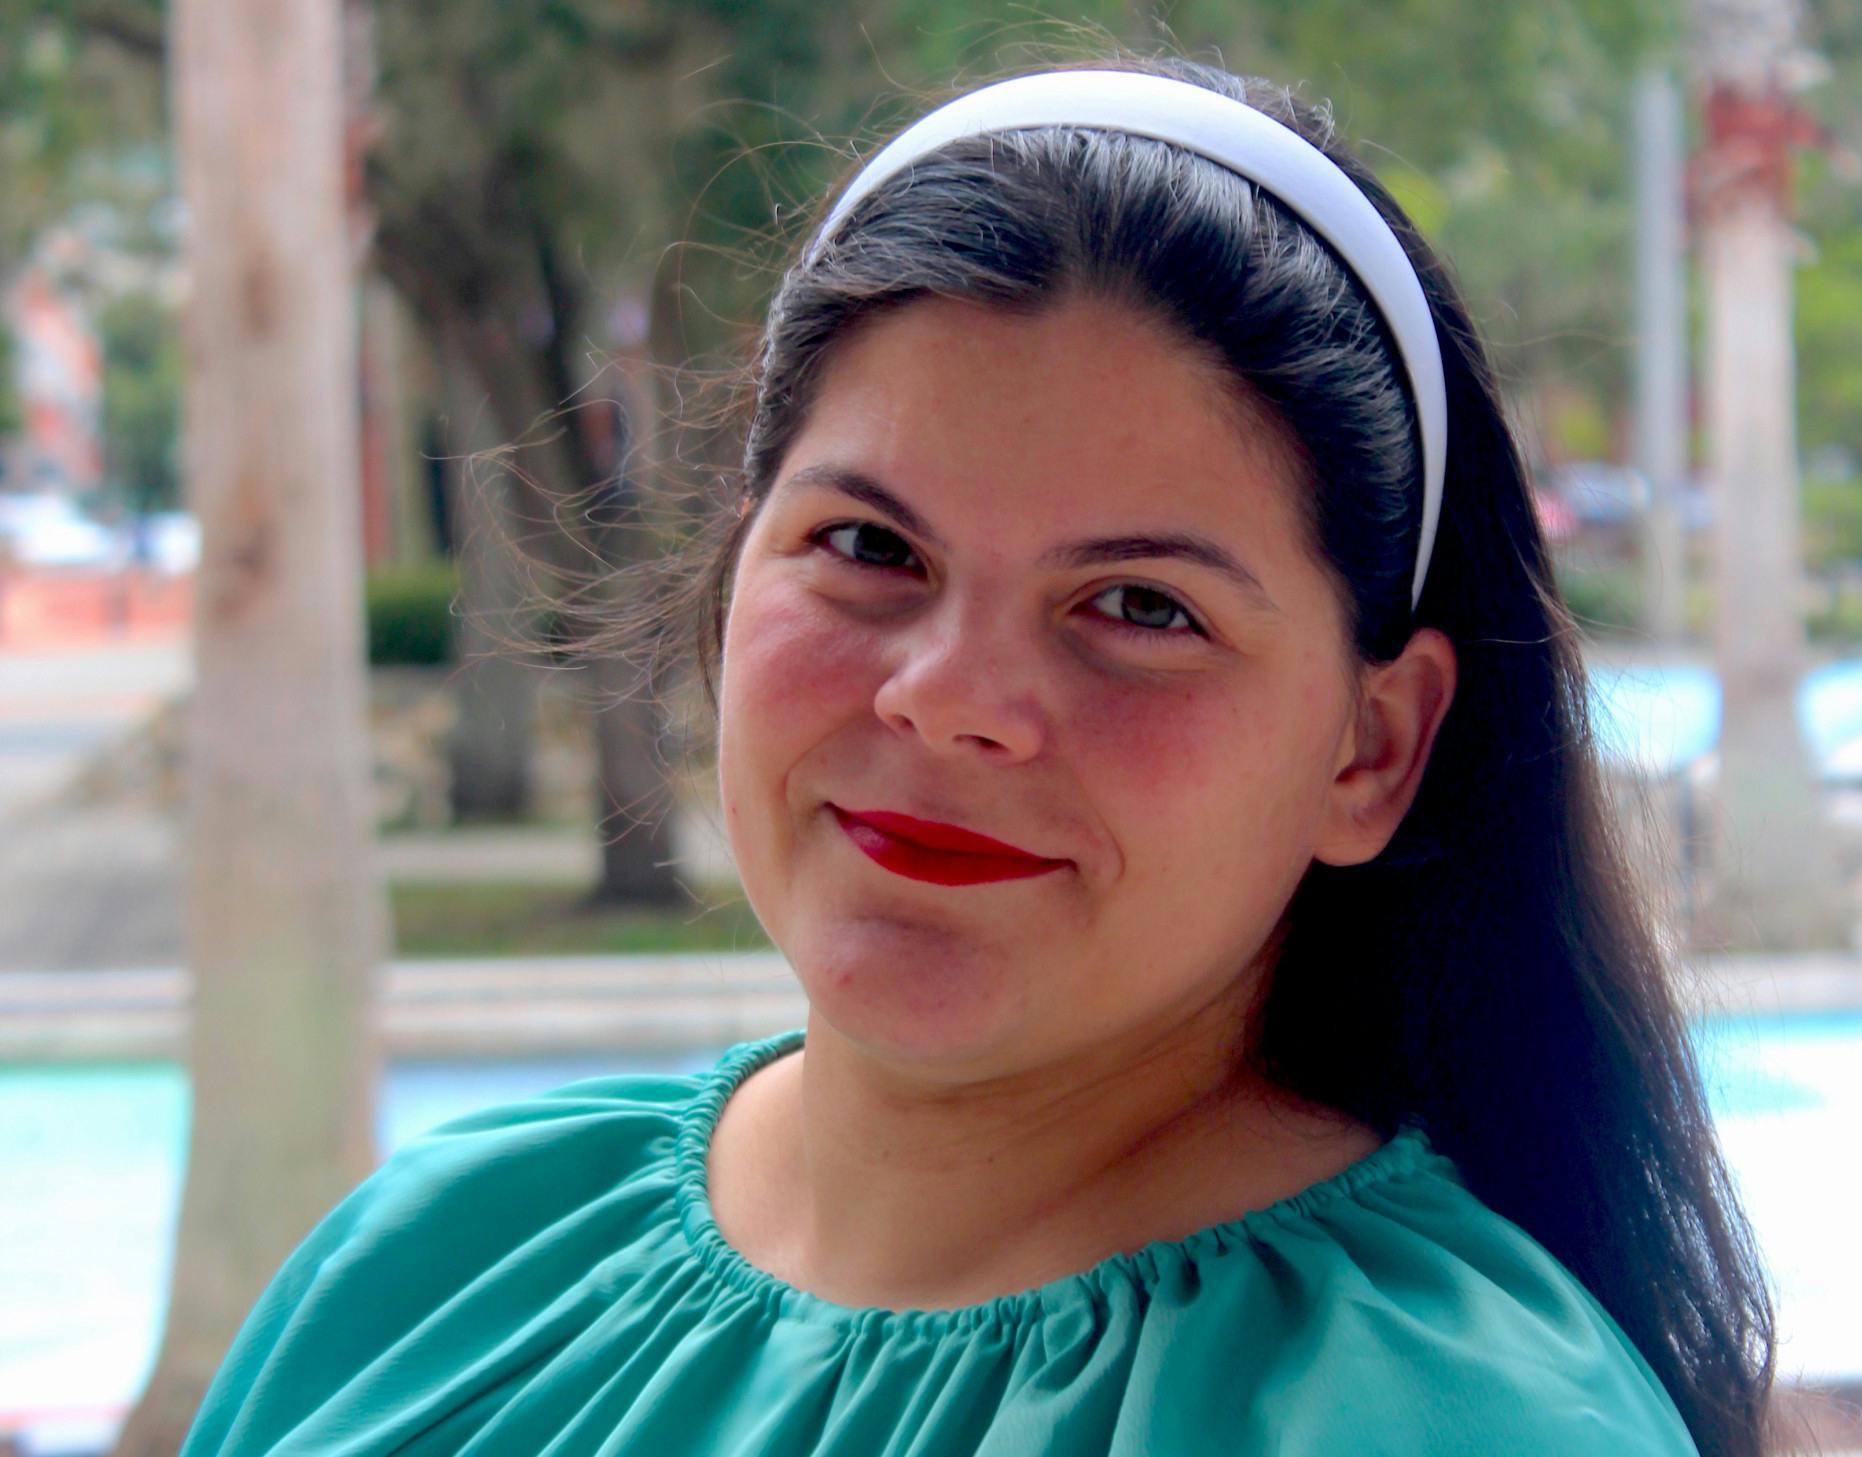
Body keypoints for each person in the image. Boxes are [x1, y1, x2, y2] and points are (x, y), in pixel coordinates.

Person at [182, 56, 1774, 1457]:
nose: (951, 700)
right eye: (870, 545)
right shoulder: (439, 1263)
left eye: (1141, 606)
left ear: (1372, 750)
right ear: (733, 578)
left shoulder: (1443, 1419)